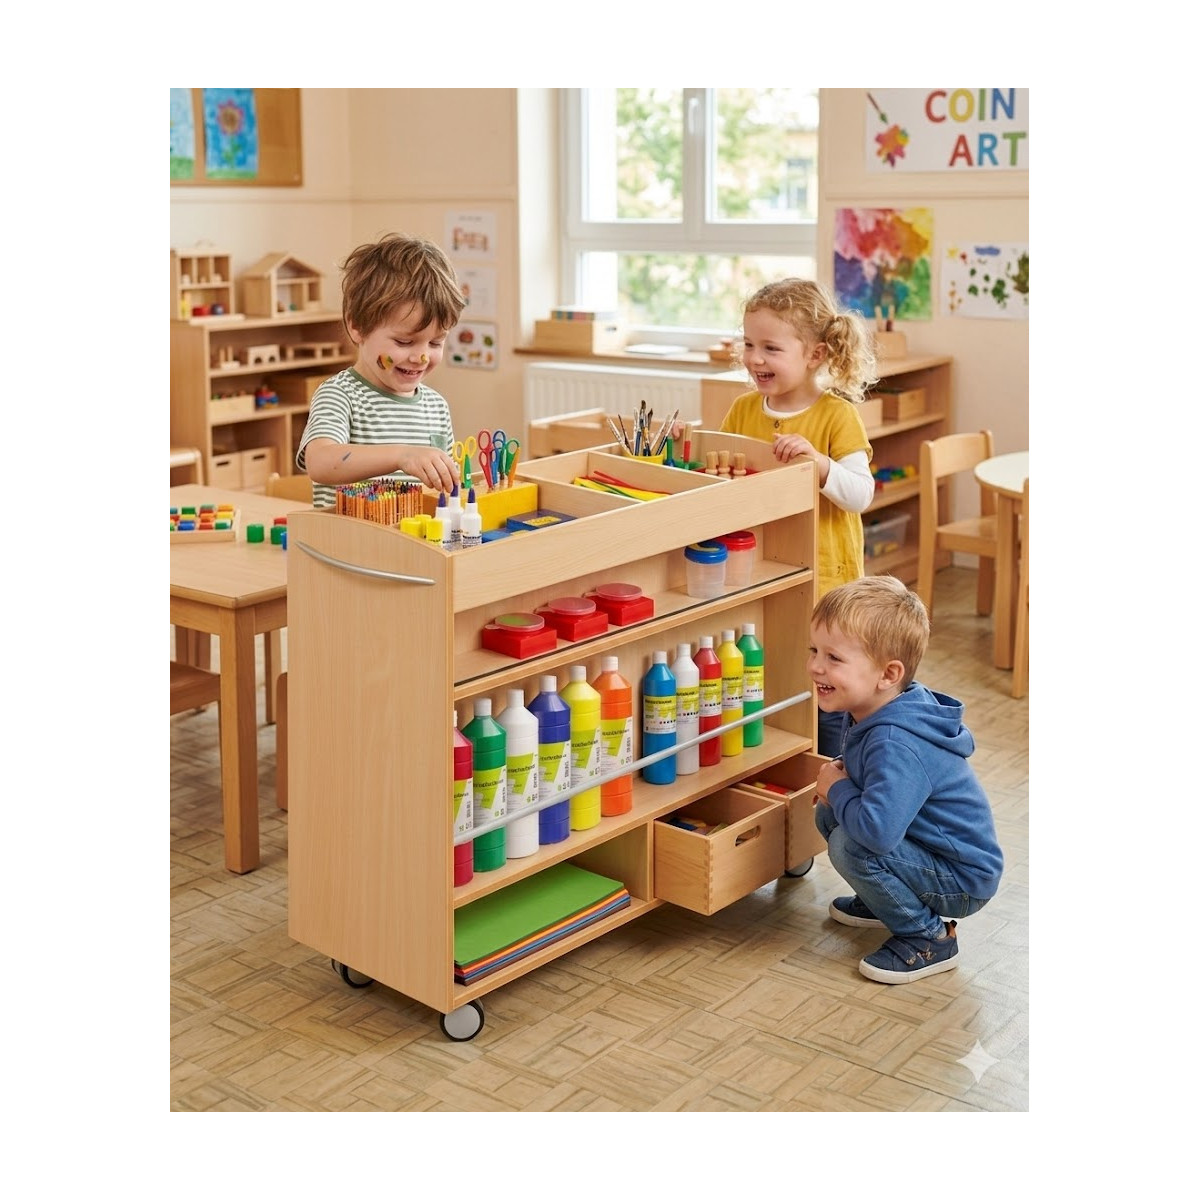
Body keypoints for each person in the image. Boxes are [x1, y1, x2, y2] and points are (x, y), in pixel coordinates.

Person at [808, 575, 1003, 985]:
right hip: (929, 851)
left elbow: (877, 834)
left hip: (963, 880)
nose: (815, 666)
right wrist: (841, 785)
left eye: (834, 658)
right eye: (814, 651)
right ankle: (886, 901)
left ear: (888, 673)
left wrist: (837, 787)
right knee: (830, 816)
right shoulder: (874, 706)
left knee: (851, 844)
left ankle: (928, 937)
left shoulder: (896, 741)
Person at [718, 278, 878, 755]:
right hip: (761, 573)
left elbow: (861, 494)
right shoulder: (742, 410)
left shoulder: (836, 415)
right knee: (770, 676)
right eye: (749, 344)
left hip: (826, 583)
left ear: (815, 354)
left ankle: (834, 773)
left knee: (826, 690)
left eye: (771, 348)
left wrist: (820, 464)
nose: (754, 358)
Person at [297, 233, 466, 508]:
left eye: (436, 342)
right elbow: (320, 463)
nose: (421, 357)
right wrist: (402, 456)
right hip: (349, 536)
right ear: (357, 326)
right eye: (404, 342)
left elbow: (445, 491)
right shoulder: (339, 395)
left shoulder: (436, 407)